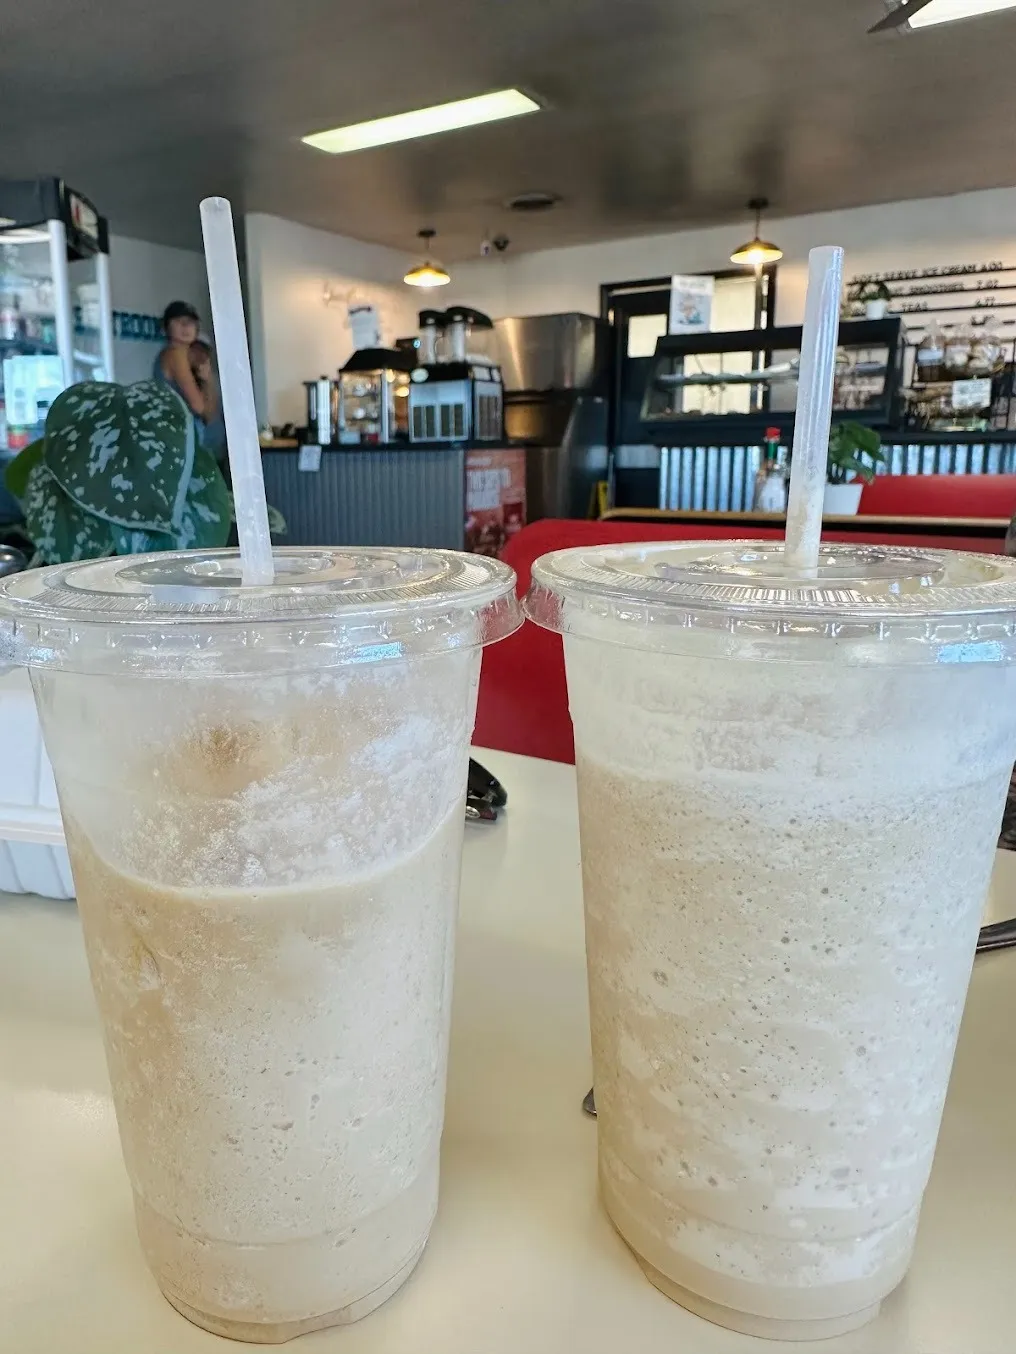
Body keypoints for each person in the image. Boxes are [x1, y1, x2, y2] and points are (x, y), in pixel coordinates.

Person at [154, 301, 223, 457]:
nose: (186, 326)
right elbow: (199, 407)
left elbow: (209, 415)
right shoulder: (175, 353)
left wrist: (207, 379)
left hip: (197, 445)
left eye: (191, 322)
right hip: (182, 443)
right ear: (166, 327)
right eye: (179, 321)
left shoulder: (190, 357)